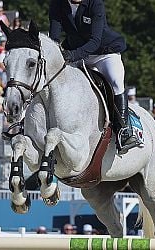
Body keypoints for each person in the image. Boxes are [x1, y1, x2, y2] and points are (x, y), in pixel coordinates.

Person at [49, 0, 142, 154]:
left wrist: (72, 55)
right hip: (77, 52)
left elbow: (95, 40)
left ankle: (124, 130)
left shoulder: (95, 3)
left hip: (104, 53)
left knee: (116, 82)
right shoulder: (57, 4)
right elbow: (54, 37)